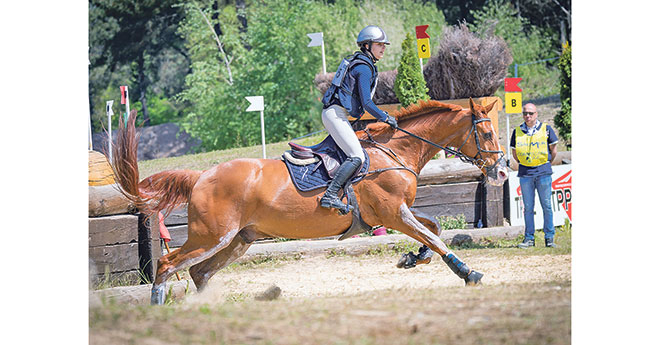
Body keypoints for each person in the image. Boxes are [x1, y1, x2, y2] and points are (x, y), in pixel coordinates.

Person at [319, 25, 398, 214]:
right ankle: (329, 195)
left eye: (384, 45)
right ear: (367, 45)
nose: (383, 48)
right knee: (357, 156)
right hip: (335, 114)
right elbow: (368, 103)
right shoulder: (363, 67)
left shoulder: (361, 63)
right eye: (379, 44)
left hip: (336, 114)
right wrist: (385, 117)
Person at [511, 103, 559, 248]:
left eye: (531, 113)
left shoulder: (547, 130)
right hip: (526, 173)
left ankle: (549, 238)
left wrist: (546, 163)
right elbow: (515, 153)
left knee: (547, 206)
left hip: (543, 172)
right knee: (528, 207)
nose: (528, 116)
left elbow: (554, 150)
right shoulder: (517, 131)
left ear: (536, 114)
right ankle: (529, 239)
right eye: (525, 113)